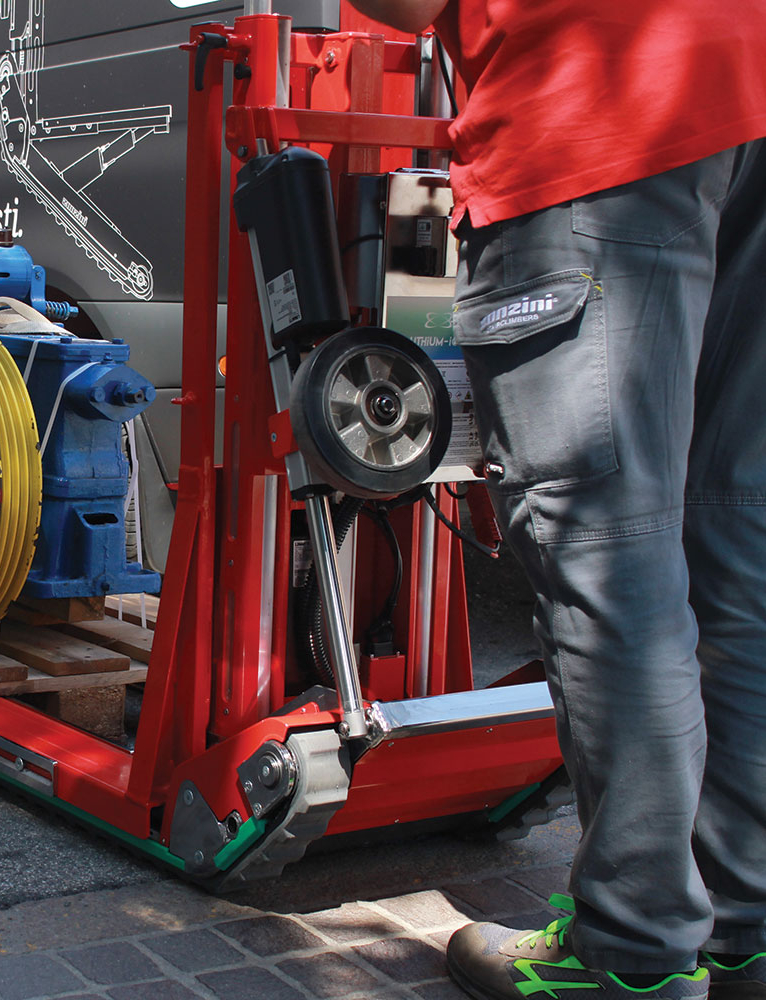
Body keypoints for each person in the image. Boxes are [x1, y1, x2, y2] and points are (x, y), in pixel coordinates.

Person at [340, 1, 766, 998]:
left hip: (596, 111)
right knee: (739, 542)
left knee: (612, 553)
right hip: (752, 92)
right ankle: (742, 928)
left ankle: (634, 950)